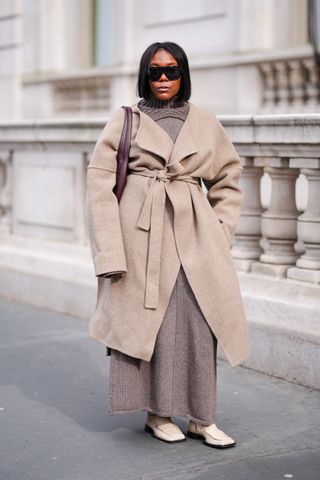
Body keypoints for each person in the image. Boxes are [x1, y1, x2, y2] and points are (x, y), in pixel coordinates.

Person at [85, 41, 251, 448]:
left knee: (200, 324)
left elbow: (228, 178)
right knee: (151, 327)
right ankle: (157, 414)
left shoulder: (205, 122)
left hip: (195, 235)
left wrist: (220, 232)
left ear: (183, 75)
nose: (163, 78)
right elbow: (99, 189)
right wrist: (110, 251)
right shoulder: (126, 121)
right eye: (155, 71)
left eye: (171, 71)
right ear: (144, 74)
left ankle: (202, 416)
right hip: (141, 237)